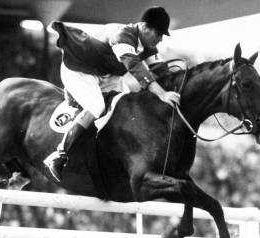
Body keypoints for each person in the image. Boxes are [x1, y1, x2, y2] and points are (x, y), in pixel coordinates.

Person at [44, 6, 181, 182]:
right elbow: (134, 66)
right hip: (79, 71)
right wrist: (162, 94)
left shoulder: (147, 45)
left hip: (105, 75)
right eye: (159, 34)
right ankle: (59, 154)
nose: (160, 39)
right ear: (145, 27)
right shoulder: (122, 34)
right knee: (97, 106)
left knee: (126, 107)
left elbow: (161, 71)